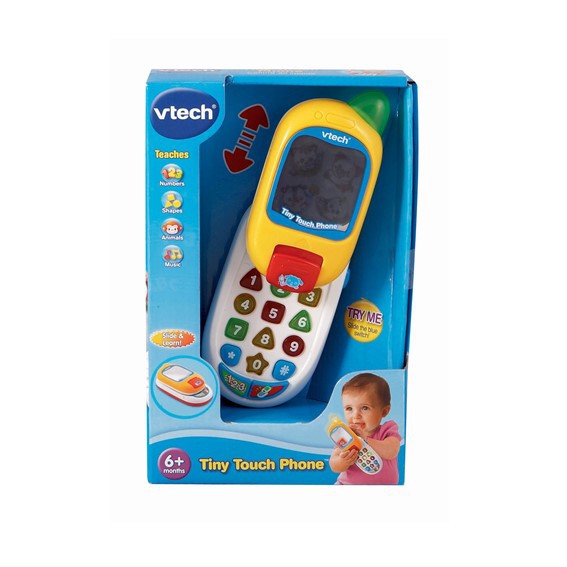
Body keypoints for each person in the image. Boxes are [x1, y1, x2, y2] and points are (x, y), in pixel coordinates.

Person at [330, 373, 401, 484]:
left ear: (384, 411)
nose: (356, 416)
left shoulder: (387, 430)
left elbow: (392, 451)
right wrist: (342, 461)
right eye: (349, 408)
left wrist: (365, 440)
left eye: (364, 408)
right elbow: (334, 465)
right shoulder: (346, 435)